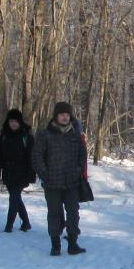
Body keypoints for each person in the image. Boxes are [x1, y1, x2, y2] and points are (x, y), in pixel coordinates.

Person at [33, 101, 87, 256]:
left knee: (73, 213)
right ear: (56, 116)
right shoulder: (45, 134)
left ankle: (72, 243)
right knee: (54, 214)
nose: (65, 117)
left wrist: (78, 170)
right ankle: (55, 245)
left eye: (67, 115)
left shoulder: (75, 135)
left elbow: (82, 155)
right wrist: (45, 174)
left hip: (72, 182)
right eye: (62, 114)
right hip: (52, 183)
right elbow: (36, 157)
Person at [0, 108, 35, 233]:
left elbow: (31, 157)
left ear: (20, 122)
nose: (13, 124)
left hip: (21, 172)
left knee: (14, 198)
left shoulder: (26, 137)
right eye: (11, 121)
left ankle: (9, 225)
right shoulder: (4, 136)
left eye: (16, 121)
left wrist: (31, 175)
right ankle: (26, 223)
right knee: (15, 198)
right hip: (8, 172)